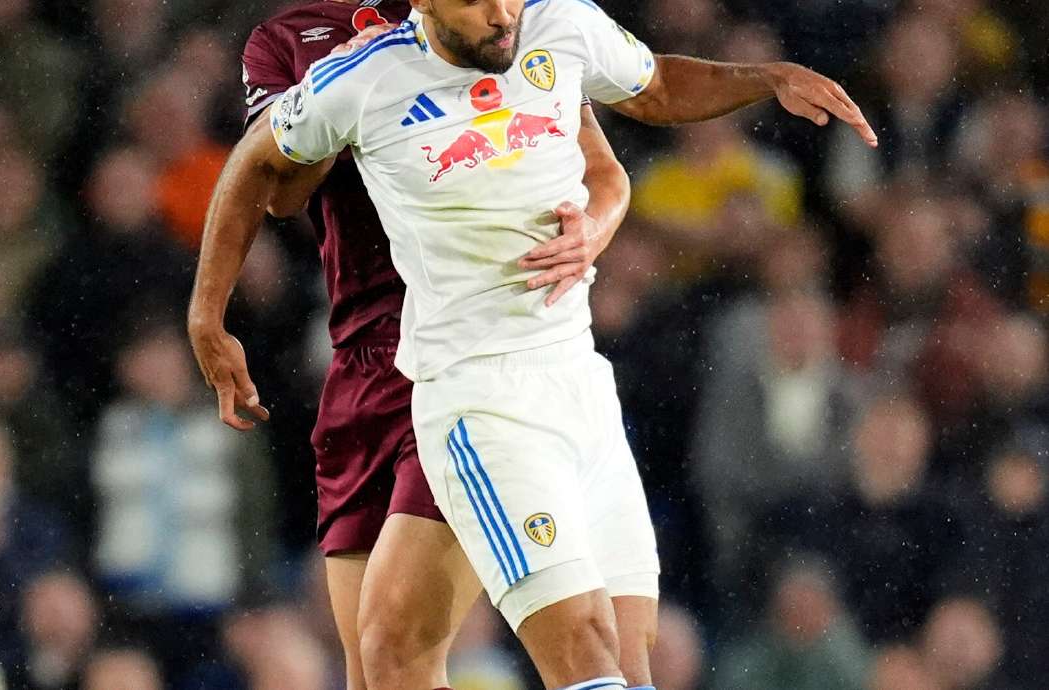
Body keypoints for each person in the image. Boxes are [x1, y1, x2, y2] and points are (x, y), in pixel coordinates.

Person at [192, 1, 876, 688]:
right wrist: (207, 317)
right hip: (482, 400)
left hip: (581, 379)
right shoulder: (363, 77)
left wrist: (768, 77)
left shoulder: (558, 23)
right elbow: (257, 166)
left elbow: (657, 86)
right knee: (582, 643)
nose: (501, 15)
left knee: (408, 650)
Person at [193, 2, 632, 689]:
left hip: (466, 352)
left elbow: (598, 165)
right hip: (360, 359)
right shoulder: (287, 40)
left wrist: (592, 233)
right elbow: (279, 191)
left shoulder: (482, 22)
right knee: (378, 668)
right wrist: (343, 88)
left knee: (547, 636)